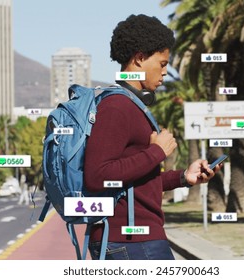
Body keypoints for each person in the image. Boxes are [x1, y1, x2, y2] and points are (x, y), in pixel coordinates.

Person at [84, 14, 221, 260]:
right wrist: (157, 152)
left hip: (135, 241)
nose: (165, 72)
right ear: (139, 59)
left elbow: (137, 181)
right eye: (162, 63)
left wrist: (184, 177)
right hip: (131, 243)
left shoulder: (131, 106)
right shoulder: (116, 107)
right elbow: (98, 176)